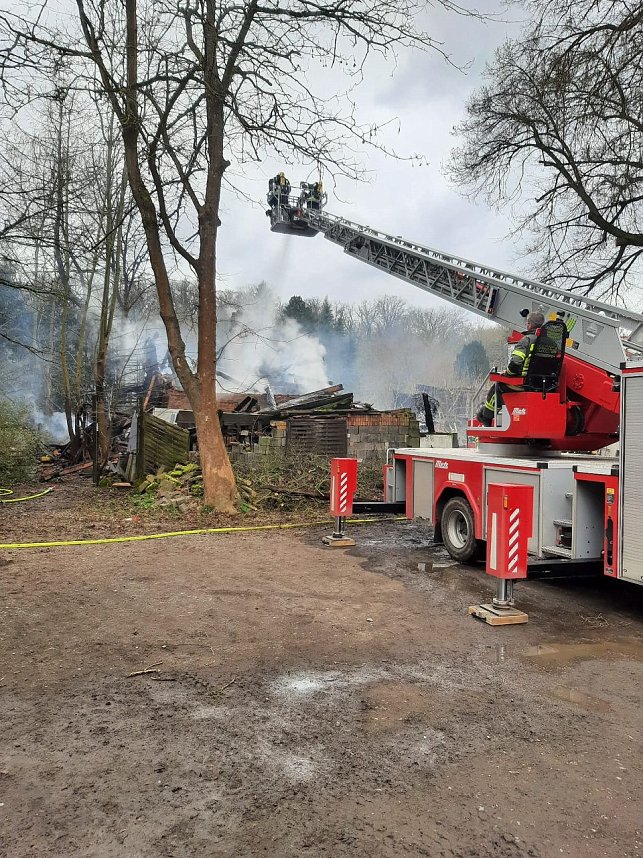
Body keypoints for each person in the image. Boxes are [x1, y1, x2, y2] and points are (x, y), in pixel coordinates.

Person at [476, 310, 546, 426]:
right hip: (541, 385)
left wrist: (507, 373)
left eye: (527, 323)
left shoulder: (526, 340)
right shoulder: (547, 342)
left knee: (497, 388)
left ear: (530, 324)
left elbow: (515, 363)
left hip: (523, 384)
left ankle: (485, 417)